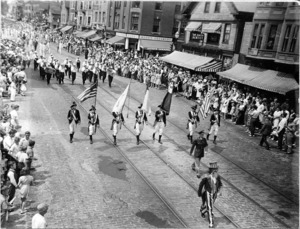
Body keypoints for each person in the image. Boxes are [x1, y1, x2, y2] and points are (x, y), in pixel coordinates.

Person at [198, 162, 223, 228]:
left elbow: (220, 185)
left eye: (216, 170)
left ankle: (202, 210)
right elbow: (201, 184)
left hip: (214, 194)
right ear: (211, 170)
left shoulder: (218, 177)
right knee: (209, 208)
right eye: (213, 170)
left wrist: (219, 192)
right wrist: (199, 192)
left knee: (210, 206)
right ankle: (211, 223)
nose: (215, 171)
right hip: (208, 193)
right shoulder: (207, 177)